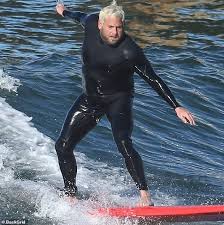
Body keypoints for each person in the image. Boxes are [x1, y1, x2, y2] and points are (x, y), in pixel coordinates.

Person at [55, 0, 195, 206]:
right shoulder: (91, 22)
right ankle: (71, 195)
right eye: (111, 27)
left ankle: (145, 197)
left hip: (118, 99)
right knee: (63, 146)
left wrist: (176, 105)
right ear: (100, 25)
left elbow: (153, 78)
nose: (115, 32)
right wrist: (64, 11)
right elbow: (79, 16)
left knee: (123, 142)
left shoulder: (130, 51)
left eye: (119, 27)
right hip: (90, 98)